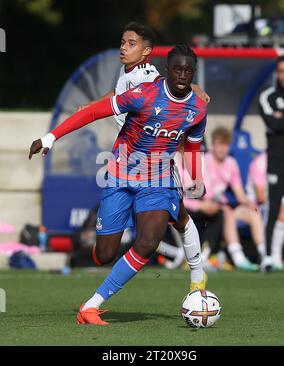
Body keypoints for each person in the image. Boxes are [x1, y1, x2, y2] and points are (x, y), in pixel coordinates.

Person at [29, 45, 208, 325]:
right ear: (167, 71)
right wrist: (51, 136)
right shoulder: (144, 96)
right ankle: (100, 251)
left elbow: (193, 146)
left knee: (148, 242)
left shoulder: (197, 108)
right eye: (178, 69)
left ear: (193, 73)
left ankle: (91, 305)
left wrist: (196, 176)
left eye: (188, 70)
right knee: (104, 254)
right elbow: (92, 113)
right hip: (121, 174)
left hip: (159, 179)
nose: (183, 74)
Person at [80, 22, 210, 288]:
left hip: (154, 158)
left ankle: (197, 275)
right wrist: (94, 105)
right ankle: (188, 264)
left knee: (177, 218)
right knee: (109, 252)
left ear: (146, 51)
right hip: (130, 159)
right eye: (122, 42)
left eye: (131, 43)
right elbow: (118, 94)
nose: (123, 47)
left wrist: (193, 88)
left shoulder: (146, 75)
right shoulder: (128, 71)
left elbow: (168, 85)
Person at [201, 127, 264, 271]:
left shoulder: (231, 163)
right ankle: (238, 258)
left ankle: (264, 254)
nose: (222, 149)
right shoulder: (205, 161)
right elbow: (204, 193)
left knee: (253, 213)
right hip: (206, 206)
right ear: (213, 144)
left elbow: (239, 193)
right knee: (227, 212)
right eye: (220, 144)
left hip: (225, 206)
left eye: (226, 145)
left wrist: (250, 204)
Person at [259, 55, 284, 272]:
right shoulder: (269, 96)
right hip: (278, 162)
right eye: (281, 71)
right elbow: (272, 122)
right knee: (273, 208)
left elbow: (281, 123)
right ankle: (267, 256)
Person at [247, 152, 284, 270]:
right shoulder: (260, 162)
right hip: (256, 206)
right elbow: (261, 196)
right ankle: (275, 256)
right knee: (283, 210)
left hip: (280, 201)